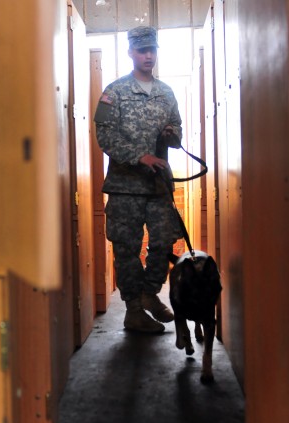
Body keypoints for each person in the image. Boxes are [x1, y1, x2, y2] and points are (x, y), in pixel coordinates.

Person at [94, 26, 183, 333]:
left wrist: (172, 136)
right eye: (142, 50)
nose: (148, 56)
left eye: (152, 50)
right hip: (124, 187)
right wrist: (139, 156)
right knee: (126, 248)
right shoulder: (114, 92)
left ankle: (149, 294)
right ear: (131, 52)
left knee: (163, 242)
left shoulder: (166, 93)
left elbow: (178, 132)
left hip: (158, 187)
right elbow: (104, 136)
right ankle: (134, 310)